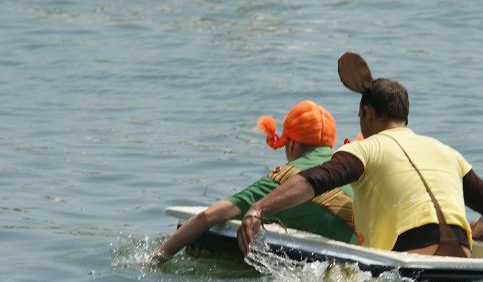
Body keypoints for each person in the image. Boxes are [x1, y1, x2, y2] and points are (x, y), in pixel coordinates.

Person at [236, 55, 483, 257]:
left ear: (367, 113)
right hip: (461, 251)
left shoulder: (364, 149)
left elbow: (312, 181)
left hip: (410, 251)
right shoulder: (446, 152)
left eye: (359, 117)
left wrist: (259, 209)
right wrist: (478, 229)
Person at [150, 100, 356, 266]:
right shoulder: (348, 166)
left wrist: (155, 259)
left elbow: (208, 215)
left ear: (292, 144)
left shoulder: (284, 179)